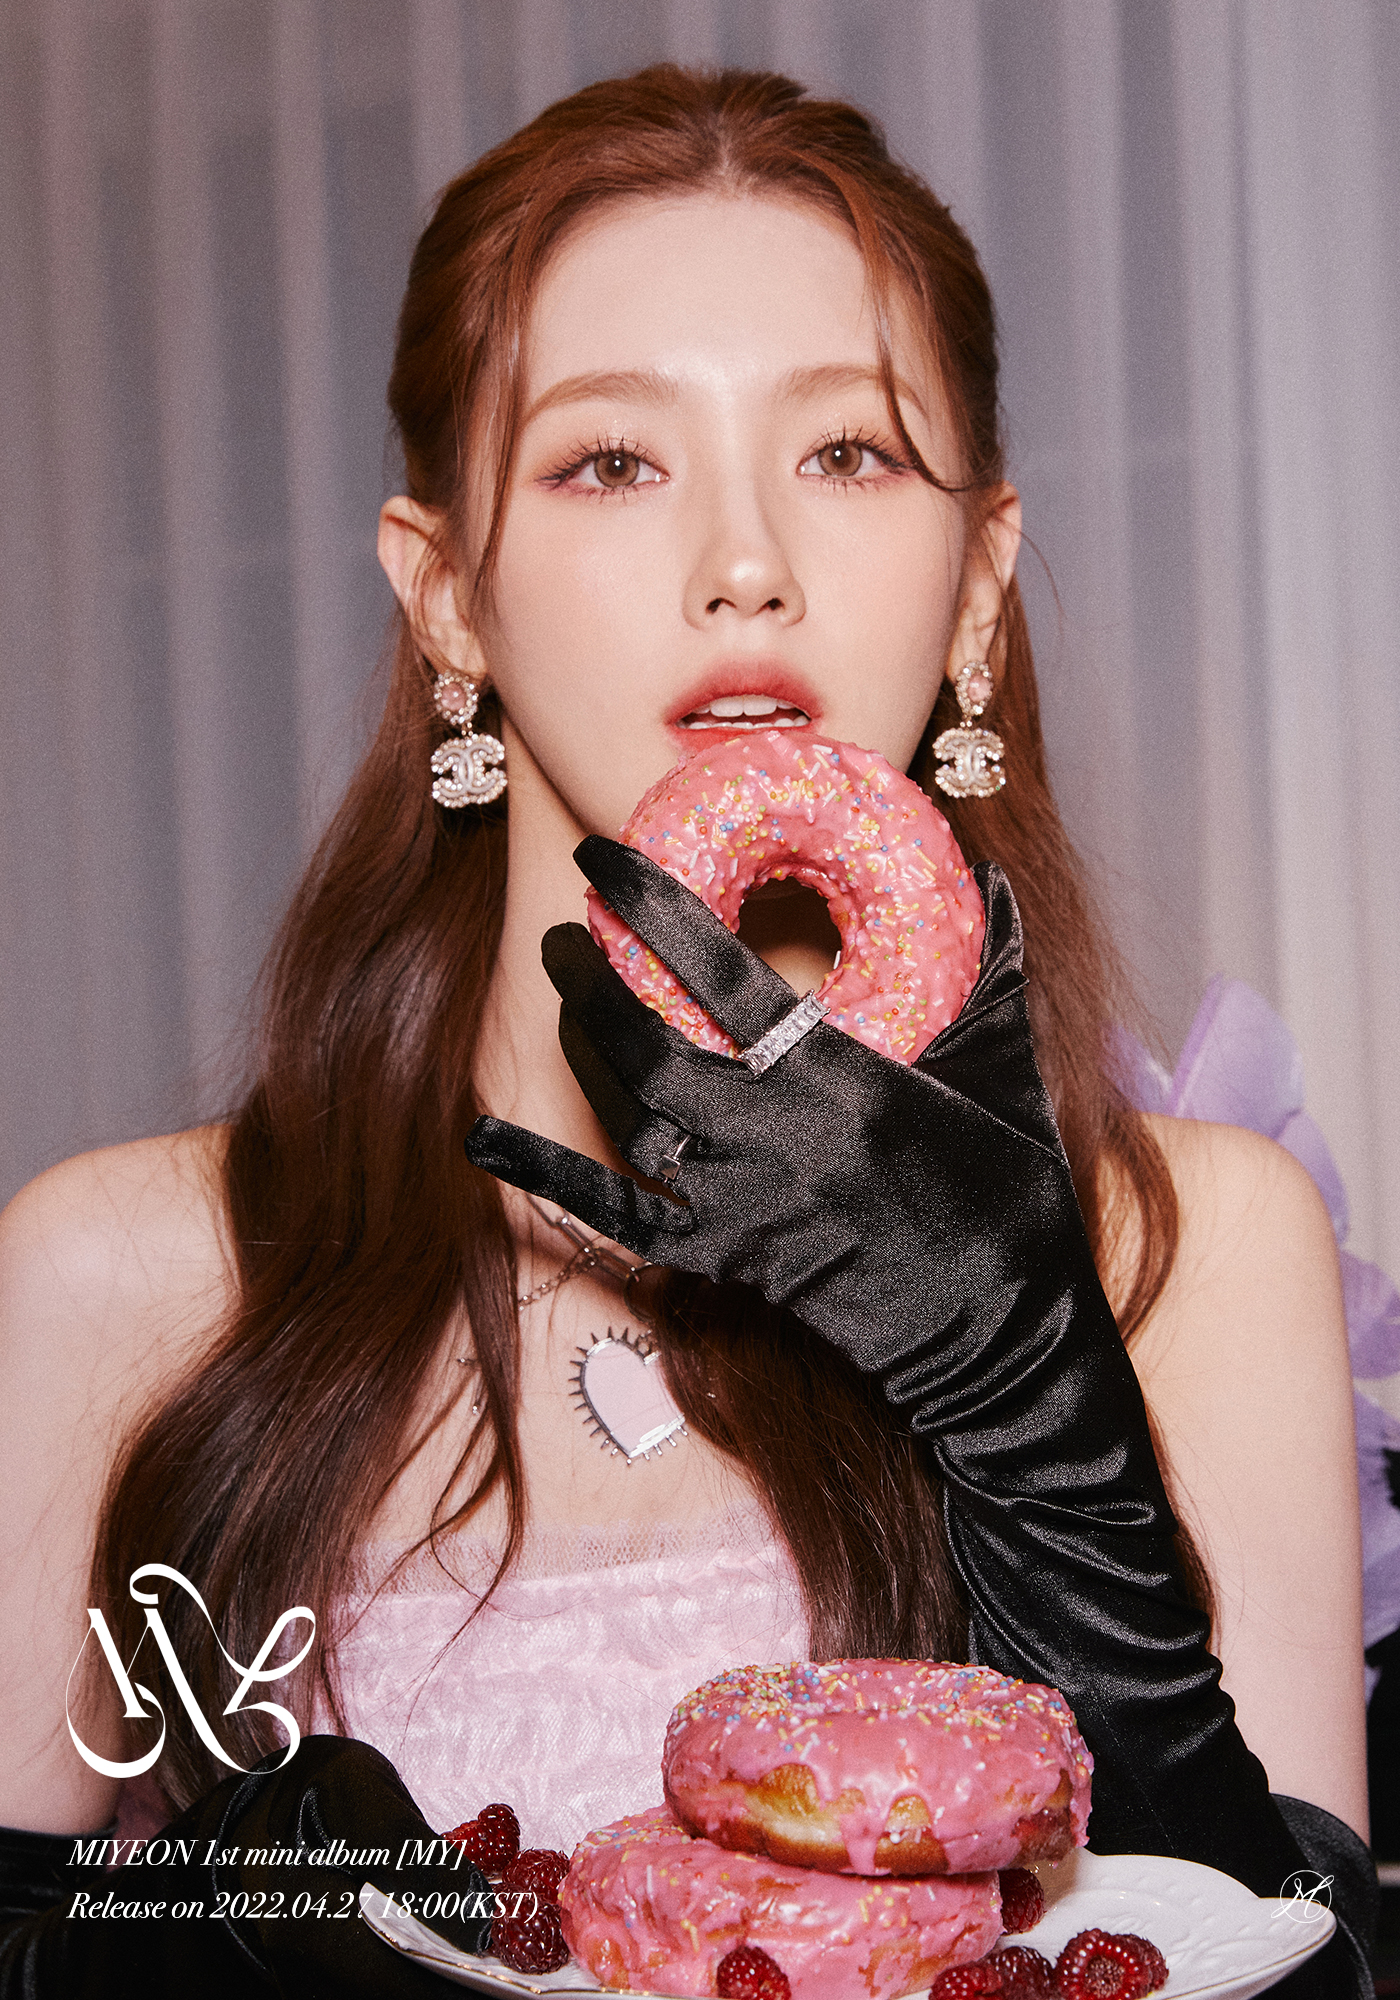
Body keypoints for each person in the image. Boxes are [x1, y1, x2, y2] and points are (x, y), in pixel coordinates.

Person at [0, 65, 1375, 1996]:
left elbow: (1280, 1964)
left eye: (849, 453)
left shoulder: (1192, 1254)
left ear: (978, 585)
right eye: (610, 463)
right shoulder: (126, 1284)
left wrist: (1032, 1415)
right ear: (446, 597)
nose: (745, 561)